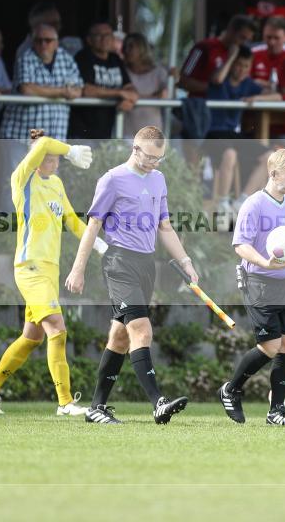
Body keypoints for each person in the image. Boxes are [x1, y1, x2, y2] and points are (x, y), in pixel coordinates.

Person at [66, 126, 197, 425]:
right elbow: (93, 226)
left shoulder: (159, 179)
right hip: (119, 261)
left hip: (146, 263)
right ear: (135, 149)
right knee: (141, 329)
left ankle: (96, 407)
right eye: (149, 157)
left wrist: (186, 261)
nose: (153, 163)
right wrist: (78, 267)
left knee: (121, 335)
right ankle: (158, 403)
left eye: (159, 159)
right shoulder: (112, 179)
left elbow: (165, 226)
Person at [0, 129, 100, 416]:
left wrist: (100, 244)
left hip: (50, 271)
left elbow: (71, 220)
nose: (54, 162)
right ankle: (65, 402)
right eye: (49, 157)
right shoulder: (22, 179)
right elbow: (42, 143)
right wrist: (70, 150)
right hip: (30, 268)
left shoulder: (56, 183)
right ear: (35, 157)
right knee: (57, 328)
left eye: (58, 158)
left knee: (32, 338)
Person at [217, 149, 285, 426]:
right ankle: (230, 389)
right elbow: (240, 245)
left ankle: (277, 411)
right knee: (270, 345)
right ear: (274, 174)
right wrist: (264, 263)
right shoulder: (253, 204)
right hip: (259, 281)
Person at [205, 45, 278, 213]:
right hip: (213, 133)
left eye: (246, 66)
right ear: (230, 64)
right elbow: (217, 79)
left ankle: (243, 202)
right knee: (230, 154)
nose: (241, 70)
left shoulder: (248, 84)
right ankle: (222, 205)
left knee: (270, 157)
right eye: (238, 65)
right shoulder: (220, 78)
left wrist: (256, 97)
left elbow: (278, 96)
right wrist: (231, 57)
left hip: (234, 135)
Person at [0, 23, 82, 143]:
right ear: (33, 42)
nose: (43, 44)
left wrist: (42, 90)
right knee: (26, 161)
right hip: (26, 132)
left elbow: (78, 90)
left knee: (48, 160)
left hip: (55, 132)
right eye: (39, 41)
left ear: (56, 43)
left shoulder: (67, 58)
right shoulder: (25, 58)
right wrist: (63, 91)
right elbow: (27, 89)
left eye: (48, 40)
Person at [69, 21, 138, 140]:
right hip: (82, 131)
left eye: (108, 35)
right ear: (89, 40)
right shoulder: (82, 58)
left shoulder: (115, 59)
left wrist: (130, 99)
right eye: (99, 35)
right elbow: (86, 90)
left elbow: (129, 87)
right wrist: (119, 93)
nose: (104, 39)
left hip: (107, 131)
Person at [122, 32, 169, 136]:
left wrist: (132, 97)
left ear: (142, 48)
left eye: (131, 46)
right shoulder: (122, 71)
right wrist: (153, 96)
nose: (126, 50)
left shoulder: (159, 72)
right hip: (125, 132)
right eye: (125, 46)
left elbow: (166, 95)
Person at [250, 16, 285, 89]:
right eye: (268, 37)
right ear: (263, 35)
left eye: (276, 38)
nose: (272, 42)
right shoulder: (253, 53)